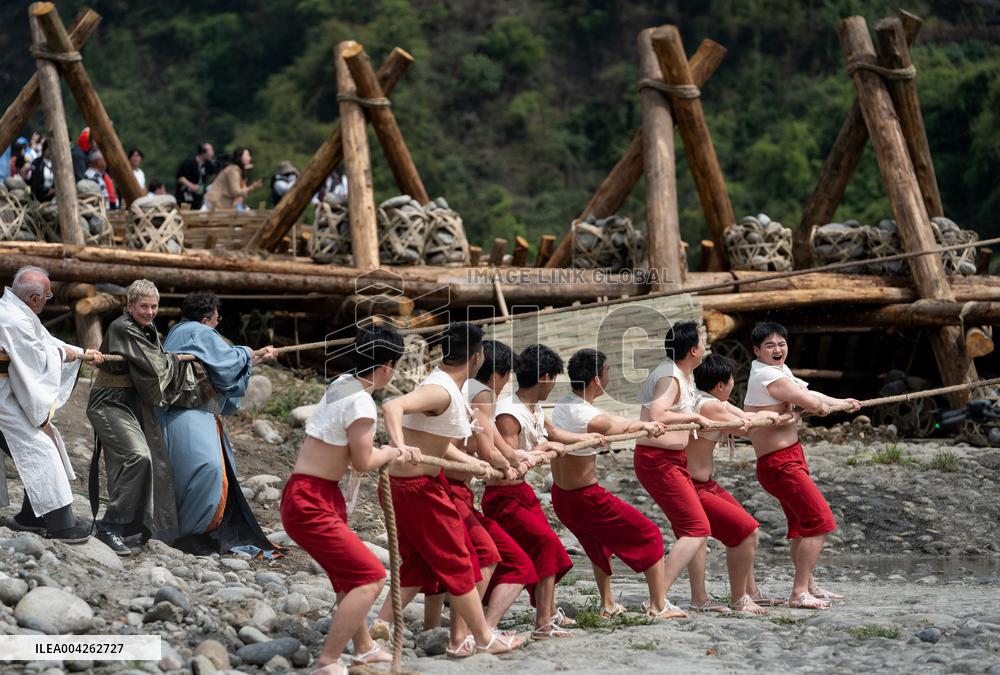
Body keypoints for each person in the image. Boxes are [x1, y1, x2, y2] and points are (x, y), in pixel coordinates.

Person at [372, 322, 524, 657]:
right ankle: (478, 638)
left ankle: (379, 626)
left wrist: (474, 465)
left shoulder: (447, 388)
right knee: (460, 559)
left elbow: (436, 444)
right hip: (415, 487)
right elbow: (391, 406)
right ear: (477, 357)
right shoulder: (441, 389)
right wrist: (400, 445)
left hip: (411, 484)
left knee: (418, 561)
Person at [281, 326, 414, 674]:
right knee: (371, 577)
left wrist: (384, 451)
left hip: (312, 494)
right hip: (310, 501)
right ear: (387, 366)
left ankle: (365, 647)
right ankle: (328, 660)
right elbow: (362, 461)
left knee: (348, 576)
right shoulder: (361, 402)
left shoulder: (342, 382)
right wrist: (390, 453)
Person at [421, 340, 542, 632]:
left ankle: (433, 629)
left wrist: (515, 458)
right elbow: (488, 451)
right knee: (488, 558)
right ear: (496, 373)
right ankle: (470, 634)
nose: (507, 382)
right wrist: (509, 466)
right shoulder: (481, 394)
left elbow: (494, 446)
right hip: (448, 490)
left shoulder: (466, 392)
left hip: (450, 488)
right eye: (507, 375)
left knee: (432, 564)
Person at [482, 344, 601, 639]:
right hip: (503, 496)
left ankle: (544, 614)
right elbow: (510, 455)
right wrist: (542, 449)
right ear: (546, 378)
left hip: (521, 493)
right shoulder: (509, 414)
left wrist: (590, 437)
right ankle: (542, 622)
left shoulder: (533, 408)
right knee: (545, 546)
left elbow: (556, 435)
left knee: (551, 553)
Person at [549, 348, 678, 620]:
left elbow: (615, 421)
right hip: (586, 498)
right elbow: (620, 426)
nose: (610, 376)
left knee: (600, 545)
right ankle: (658, 605)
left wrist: (643, 424)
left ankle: (607, 604)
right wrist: (648, 426)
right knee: (650, 534)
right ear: (597, 380)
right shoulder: (591, 418)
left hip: (561, 497)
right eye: (607, 371)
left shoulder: (564, 404)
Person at [744, 322, 860, 609]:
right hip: (778, 464)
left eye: (781, 343)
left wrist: (841, 402)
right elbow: (807, 401)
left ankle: (808, 584)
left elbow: (810, 395)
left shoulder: (781, 371)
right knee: (819, 521)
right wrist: (817, 407)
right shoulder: (766, 375)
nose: (777, 349)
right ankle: (798, 593)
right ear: (757, 350)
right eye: (769, 345)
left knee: (801, 525)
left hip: (791, 457)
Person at [158, 291, 278, 554]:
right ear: (206, 319)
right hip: (191, 414)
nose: (217, 323)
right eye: (216, 318)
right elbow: (226, 366)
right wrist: (248, 353)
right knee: (207, 470)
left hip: (170, 416)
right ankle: (196, 530)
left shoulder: (178, 331)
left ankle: (176, 526)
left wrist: (255, 357)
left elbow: (216, 361)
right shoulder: (200, 333)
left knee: (179, 472)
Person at [87, 279, 196, 555]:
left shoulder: (148, 329)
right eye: (144, 306)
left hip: (131, 403)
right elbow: (156, 364)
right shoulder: (122, 327)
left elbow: (155, 360)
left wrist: (173, 358)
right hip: (109, 402)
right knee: (138, 456)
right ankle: (110, 527)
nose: (149, 312)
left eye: (154, 306)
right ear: (130, 305)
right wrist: (179, 360)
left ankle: (127, 527)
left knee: (131, 463)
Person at [0, 267, 102, 543]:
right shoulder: (12, 320)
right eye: (47, 295)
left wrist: (81, 353)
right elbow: (34, 359)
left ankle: (30, 518)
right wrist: (64, 354)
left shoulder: (18, 311)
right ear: (34, 298)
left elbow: (44, 341)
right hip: (2, 399)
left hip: (6, 394)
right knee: (40, 447)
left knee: (47, 442)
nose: (48, 299)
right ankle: (60, 525)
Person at [633, 321, 721, 620]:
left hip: (670, 459)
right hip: (657, 459)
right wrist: (695, 417)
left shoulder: (683, 374)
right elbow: (658, 414)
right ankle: (656, 600)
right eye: (703, 342)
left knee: (692, 529)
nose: (706, 346)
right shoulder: (670, 375)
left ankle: (699, 598)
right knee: (698, 529)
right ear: (693, 349)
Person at [687, 353, 784, 614]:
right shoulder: (710, 406)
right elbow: (746, 428)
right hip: (692, 486)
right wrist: (776, 414)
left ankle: (749, 592)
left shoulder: (713, 400)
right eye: (731, 380)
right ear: (721, 384)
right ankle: (738, 598)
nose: (732, 384)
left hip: (705, 484)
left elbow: (744, 416)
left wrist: (772, 415)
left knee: (741, 527)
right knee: (747, 531)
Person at [204, 147, 263, 211]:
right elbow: (236, 191)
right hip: (215, 201)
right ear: (240, 157)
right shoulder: (233, 170)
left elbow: (241, 189)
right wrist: (252, 187)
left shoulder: (237, 170)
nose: (250, 158)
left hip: (221, 203)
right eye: (247, 155)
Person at [175, 143, 216, 210]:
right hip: (186, 195)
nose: (212, 153)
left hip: (198, 197)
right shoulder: (189, 162)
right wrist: (192, 186)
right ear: (203, 152)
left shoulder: (207, 165)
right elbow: (180, 177)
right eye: (210, 150)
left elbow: (214, 171)